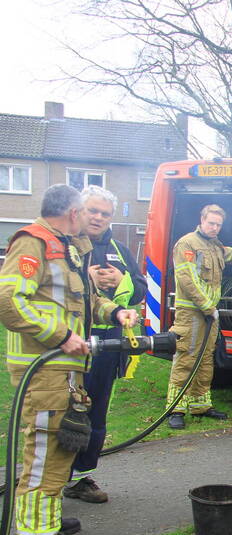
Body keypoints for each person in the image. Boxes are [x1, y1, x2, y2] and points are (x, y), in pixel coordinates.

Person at [0, 184, 137, 535]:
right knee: (45, 449)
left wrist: (114, 312)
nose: (89, 220)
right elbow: (9, 301)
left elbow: (84, 300)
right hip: (44, 370)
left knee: (60, 448)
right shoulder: (34, 243)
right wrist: (62, 336)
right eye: (84, 212)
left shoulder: (66, 248)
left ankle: (46, 521)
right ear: (72, 213)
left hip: (65, 371)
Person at [63, 186, 145, 504]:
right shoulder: (64, 245)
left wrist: (120, 281)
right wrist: (87, 279)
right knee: (64, 409)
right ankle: (53, 475)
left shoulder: (120, 250)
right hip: (69, 340)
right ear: (79, 211)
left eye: (104, 213)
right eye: (92, 211)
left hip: (108, 340)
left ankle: (81, 477)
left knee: (96, 409)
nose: (98, 218)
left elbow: (139, 287)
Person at [166, 204, 232, 429]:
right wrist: (207, 307)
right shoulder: (187, 244)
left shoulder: (215, 246)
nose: (214, 227)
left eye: (218, 225)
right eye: (211, 223)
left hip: (208, 315)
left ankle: (200, 406)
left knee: (206, 360)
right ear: (202, 220)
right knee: (186, 360)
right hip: (191, 315)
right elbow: (188, 279)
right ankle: (176, 409)